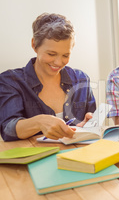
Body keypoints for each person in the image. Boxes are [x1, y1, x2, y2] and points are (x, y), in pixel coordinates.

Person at [0, 13, 96, 141]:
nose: (58, 62)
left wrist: (88, 126)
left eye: (65, 55)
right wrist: (39, 122)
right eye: (51, 54)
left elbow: (92, 121)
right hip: (34, 158)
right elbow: (8, 129)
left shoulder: (81, 79)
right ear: (34, 45)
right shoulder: (11, 81)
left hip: (77, 157)